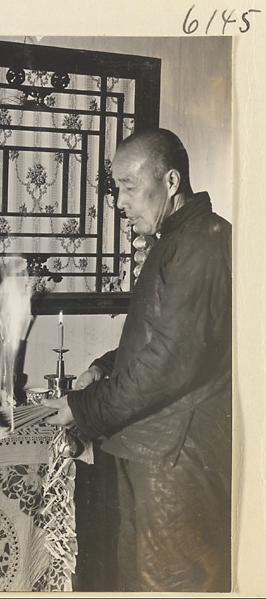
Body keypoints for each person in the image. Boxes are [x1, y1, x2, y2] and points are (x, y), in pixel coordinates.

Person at [43, 128, 232, 592]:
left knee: (171, 584)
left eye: (128, 187)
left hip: (177, 459)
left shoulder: (203, 242)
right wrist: (107, 366)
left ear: (170, 181)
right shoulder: (177, 237)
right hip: (152, 450)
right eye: (117, 189)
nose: (120, 202)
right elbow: (160, 336)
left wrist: (84, 407)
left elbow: (170, 362)